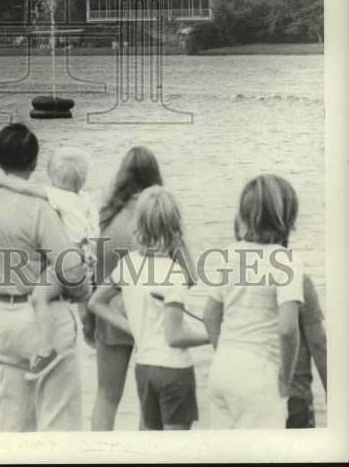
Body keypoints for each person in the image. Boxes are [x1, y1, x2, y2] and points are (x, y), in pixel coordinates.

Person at [0, 123, 91, 432]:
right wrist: (81, 293)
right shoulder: (39, 208)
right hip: (45, 319)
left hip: (5, 318)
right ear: (35, 163)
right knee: (59, 424)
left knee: (10, 425)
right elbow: (72, 269)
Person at [89, 186, 208, 430]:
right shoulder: (175, 274)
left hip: (144, 368)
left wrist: (133, 328)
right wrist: (212, 335)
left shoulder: (128, 264)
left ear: (138, 223)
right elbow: (175, 337)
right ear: (176, 226)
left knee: (149, 446)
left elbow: (96, 303)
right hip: (174, 369)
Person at [204, 174, 304, 429]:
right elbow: (288, 328)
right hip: (260, 374)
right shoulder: (284, 259)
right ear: (286, 217)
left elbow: (210, 315)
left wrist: (224, 351)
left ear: (244, 215)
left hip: (222, 369)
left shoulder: (227, 254)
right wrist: (286, 379)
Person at [0, 146, 98, 379]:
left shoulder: (58, 196)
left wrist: (3, 181)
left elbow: (25, 187)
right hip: (89, 261)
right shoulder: (88, 199)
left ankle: (46, 349)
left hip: (67, 262)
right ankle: (91, 330)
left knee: (38, 298)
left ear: (51, 175)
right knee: (82, 299)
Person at [90, 145, 163, 431]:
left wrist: (89, 318)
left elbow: (96, 274)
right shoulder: (156, 215)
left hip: (110, 310)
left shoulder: (108, 218)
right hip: (147, 310)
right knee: (149, 403)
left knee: (106, 397)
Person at [286, 274, 327, 428]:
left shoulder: (235, 279)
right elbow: (318, 344)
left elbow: (211, 317)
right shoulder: (297, 280)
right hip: (293, 394)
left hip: (245, 396)